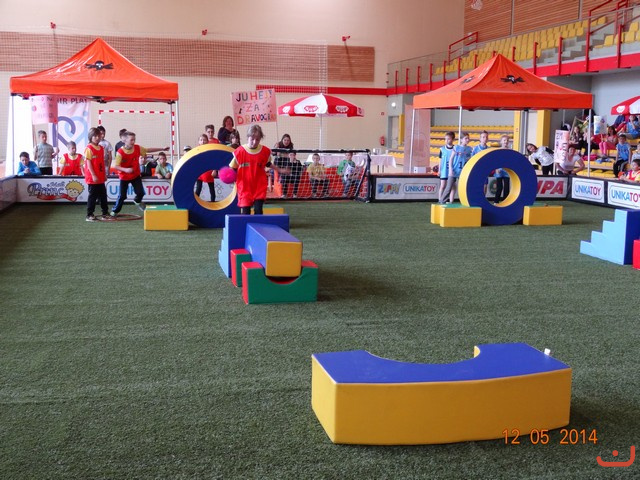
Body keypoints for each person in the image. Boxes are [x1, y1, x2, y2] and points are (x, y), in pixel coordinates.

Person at [111, 132, 167, 216]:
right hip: (124, 177)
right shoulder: (120, 152)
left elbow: (148, 150)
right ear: (125, 141)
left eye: (134, 140)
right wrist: (126, 170)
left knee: (140, 193)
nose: (133, 142)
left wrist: (162, 148)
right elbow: (116, 166)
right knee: (122, 196)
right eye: (131, 140)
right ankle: (115, 211)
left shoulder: (137, 148)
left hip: (135, 175)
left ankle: (137, 201)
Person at [229, 124, 280, 215]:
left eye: (257, 139)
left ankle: (258, 224)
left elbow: (268, 163)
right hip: (244, 187)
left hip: (259, 187)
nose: (254, 142)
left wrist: (279, 169)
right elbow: (232, 168)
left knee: (258, 211)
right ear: (248, 137)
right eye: (252, 139)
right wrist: (229, 177)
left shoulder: (264, 151)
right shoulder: (240, 152)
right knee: (245, 212)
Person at [84, 127, 109, 221]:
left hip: (100, 177)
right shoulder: (89, 148)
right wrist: (93, 175)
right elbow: (88, 163)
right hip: (92, 178)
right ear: (91, 137)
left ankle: (105, 213)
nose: (97, 137)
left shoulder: (101, 148)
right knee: (92, 196)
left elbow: (102, 162)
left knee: (103, 195)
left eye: (98, 135)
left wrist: (104, 174)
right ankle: (89, 214)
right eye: (95, 136)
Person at [443, 132, 472, 203]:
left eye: (468, 138)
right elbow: (451, 159)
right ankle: (442, 201)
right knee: (449, 187)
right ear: (461, 140)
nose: (467, 140)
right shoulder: (456, 147)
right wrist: (450, 169)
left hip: (462, 171)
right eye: (466, 138)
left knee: (464, 187)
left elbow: (469, 159)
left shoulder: (469, 149)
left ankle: (466, 201)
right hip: (454, 170)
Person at [195, 134, 217, 201]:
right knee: (198, 189)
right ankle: (195, 202)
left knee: (212, 190)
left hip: (209, 172)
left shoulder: (210, 150)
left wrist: (214, 170)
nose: (202, 141)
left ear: (207, 141)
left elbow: (215, 160)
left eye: (204, 140)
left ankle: (213, 203)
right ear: (199, 142)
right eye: (201, 140)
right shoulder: (196, 150)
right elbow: (194, 162)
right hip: (199, 172)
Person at [437, 132, 455, 203]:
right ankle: (440, 200)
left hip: (452, 170)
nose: (446, 140)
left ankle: (451, 201)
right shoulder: (442, 149)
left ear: (452, 139)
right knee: (443, 185)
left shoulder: (455, 149)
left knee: (452, 186)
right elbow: (440, 160)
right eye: (445, 139)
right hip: (444, 170)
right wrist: (439, 170)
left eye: (448, 139)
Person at [494, 135, 511, 204]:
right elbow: (495, 161)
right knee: (499, 187)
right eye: (504, 140)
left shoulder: (510, 151)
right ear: (501, 141)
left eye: (507, 140)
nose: (505, 142)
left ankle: (505, 202)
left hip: (507, 171)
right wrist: (496, 169)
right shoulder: (497, 151)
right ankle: (496, 201)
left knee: (506, 188)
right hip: (499, 171)